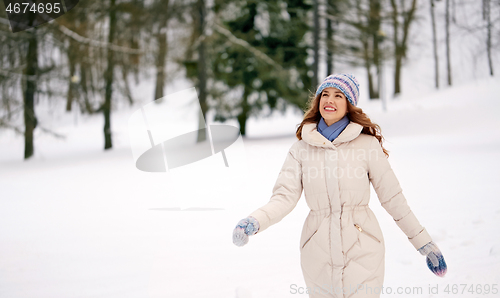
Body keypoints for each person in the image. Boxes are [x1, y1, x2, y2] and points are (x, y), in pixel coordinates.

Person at [232, 73, 447, 298]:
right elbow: (283, 197)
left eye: (338, 96)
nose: (329, 100)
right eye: (324, 94)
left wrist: (425, 244)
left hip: (363, 247)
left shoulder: (367, 145)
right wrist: (255, 220)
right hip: (317, 252)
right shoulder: (301, 150)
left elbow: (394, 200)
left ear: (349, 105)